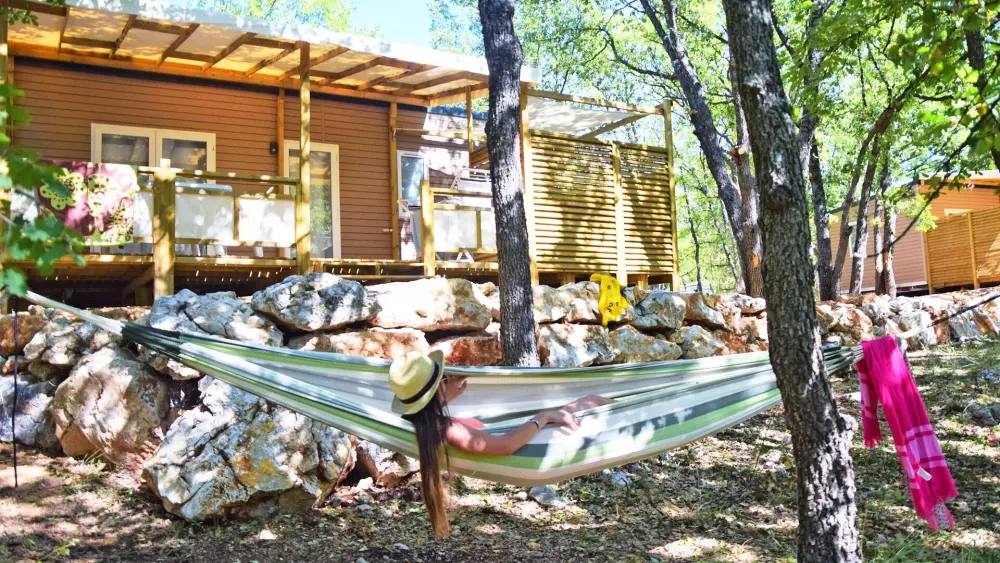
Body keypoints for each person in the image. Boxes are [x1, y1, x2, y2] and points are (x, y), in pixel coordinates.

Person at [388, 350, 612, 537]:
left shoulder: (424, 422)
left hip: (523, 432)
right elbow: (506, 446)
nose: (448, 380)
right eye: (444, 379)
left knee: (592, 401)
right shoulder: (447, 428)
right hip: (530, 444)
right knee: (594, 402)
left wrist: (445, 395)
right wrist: (543, 418)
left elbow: (430, 411)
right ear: (437, 391)